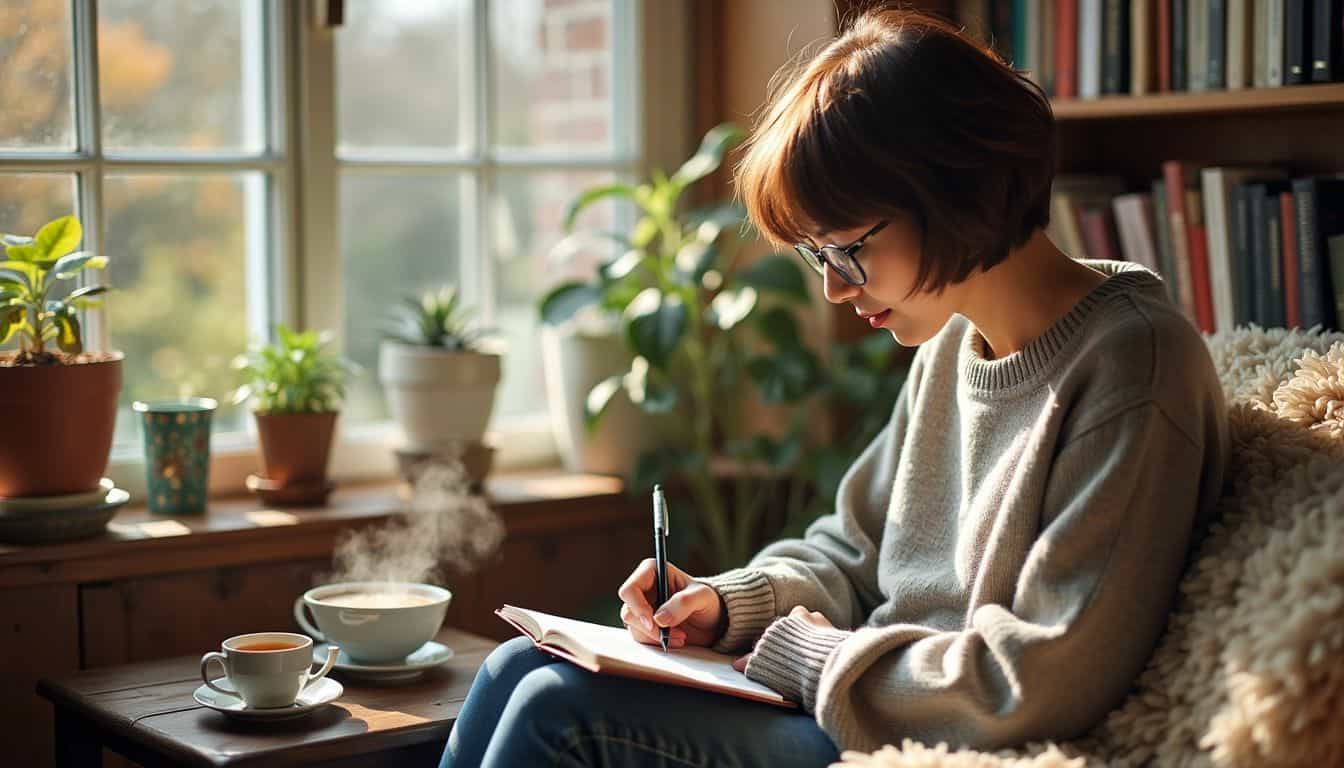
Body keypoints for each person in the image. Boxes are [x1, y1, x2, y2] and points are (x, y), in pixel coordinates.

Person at [438, 5, 1227, 766]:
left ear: (954, 189)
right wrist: (729, 604)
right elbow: (854, 555)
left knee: (556, 712)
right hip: (860, 699)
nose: (834, 291)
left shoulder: (1134, 365)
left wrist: (807, 655)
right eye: (819, 257)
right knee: (514, 669)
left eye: (847, 249)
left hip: (936, 742)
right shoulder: (954, 346)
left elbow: (1034, 680)